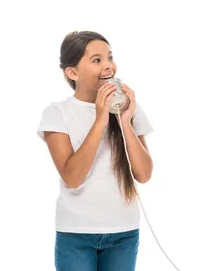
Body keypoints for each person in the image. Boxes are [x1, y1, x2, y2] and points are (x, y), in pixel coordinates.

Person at [37, 31, 154, 271]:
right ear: (73, 72)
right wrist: (100, 120)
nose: (109, 66)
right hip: (76, 234)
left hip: (123, 232)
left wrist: (124, 121)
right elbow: (72, 177)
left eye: (110, 57)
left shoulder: (130, 109)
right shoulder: (57, 113)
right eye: (97, 60)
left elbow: (143, 174)